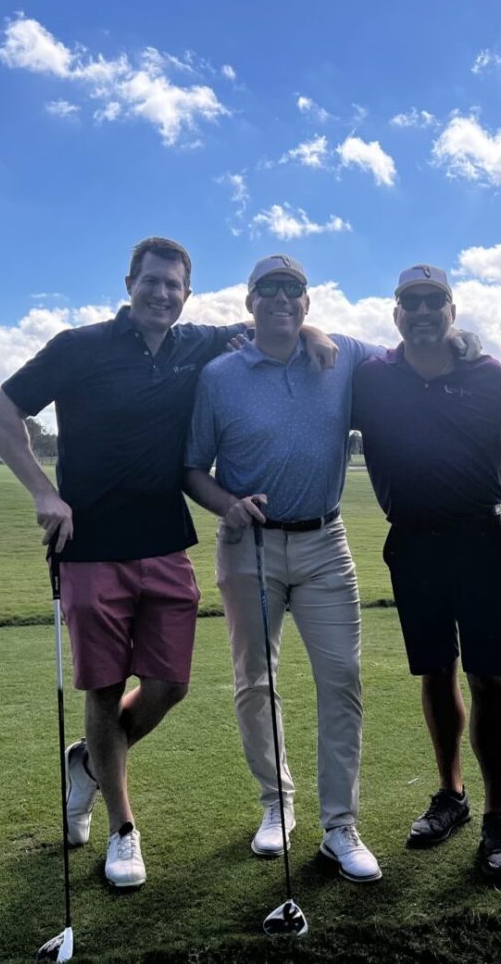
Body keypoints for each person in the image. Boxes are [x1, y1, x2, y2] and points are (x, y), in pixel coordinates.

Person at [0, 237, 335, 890]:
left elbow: (272, 317)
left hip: (165, 545)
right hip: (88, 549)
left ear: (187, 293)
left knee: (170, 685)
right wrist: (42, 491)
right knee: (104, 689)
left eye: (174, 285)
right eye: (151, 282)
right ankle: (121, 829)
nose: (161, 294)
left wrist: (311, 327)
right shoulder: (77, 347)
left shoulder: (197, 344)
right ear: (129, 283)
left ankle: (88, 762)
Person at [182, 254, 386, 884]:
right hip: (250, 545)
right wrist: (226, 503)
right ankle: (276, 803)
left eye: (291, 289)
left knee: (342, 678)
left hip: (326, 542)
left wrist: (466, 339)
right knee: (254, 679)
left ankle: (339, 825)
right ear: (250, 302)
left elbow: (404, 362)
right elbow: (192, 467)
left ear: (307, 301)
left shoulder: (341, 354)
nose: (279, 298)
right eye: (267, 289)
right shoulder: (219, 376)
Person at [351, 264, 501, 883]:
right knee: (434, 670)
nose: (423, 311)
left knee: (488, 675)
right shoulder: (372, 378)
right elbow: (316, 365)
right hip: (412, 545)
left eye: (434, 302)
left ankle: (498, 817)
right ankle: (452, 796)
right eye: (411, 302)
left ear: (452, 310)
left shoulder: (488, 374)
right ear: (396, 313)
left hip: (478, 537)